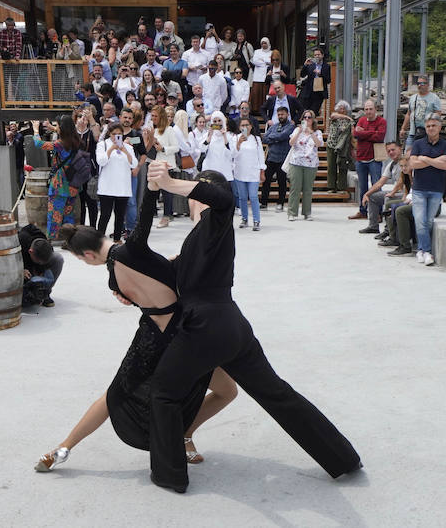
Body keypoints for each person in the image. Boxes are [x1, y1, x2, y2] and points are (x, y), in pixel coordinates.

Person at [143, 164, 362, 492]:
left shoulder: (215, 219)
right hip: (231, 327)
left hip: (203, 328)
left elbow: (223, 198)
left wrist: (170, 183)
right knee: (276, 393)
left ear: (198, 196)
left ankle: (169, 475)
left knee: (163, 393)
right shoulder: (199, 236)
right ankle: (342, 458)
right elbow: (172, 273)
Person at [36, 184, 235, 473]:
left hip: (151, 340)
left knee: (113, 394)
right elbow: (143, 215)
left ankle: (62, 448)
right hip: (184, 335)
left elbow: (141, 294)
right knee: (227, 391)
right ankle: (185, 433)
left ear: (88, 255)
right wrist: (153, 187)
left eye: (81, 260)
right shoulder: (135, 248)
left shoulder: (113, 281)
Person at [27, 115, 93, 238]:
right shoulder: (77, 141)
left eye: (58, 126)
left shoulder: (59, 144)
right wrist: (53, 128)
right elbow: (64, 132)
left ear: (62, 128)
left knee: (55, 214)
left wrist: (36, 130)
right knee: (68, 214)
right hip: (73, 183)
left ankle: (51, 239)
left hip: (59, 183)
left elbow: (39, 144)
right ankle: (69, 240)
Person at [406, 116, 446, 266]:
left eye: (434, 125)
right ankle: (427, 251)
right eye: (428, 126)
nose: (431, 128)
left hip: (436, 189)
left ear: (439, 128)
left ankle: (421, 250)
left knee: (428, 221)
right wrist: (435, 161)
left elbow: (445, 165)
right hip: (419, 189)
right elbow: (413, 163)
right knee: (420, 221)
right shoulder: (418, 143)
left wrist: (425, 159)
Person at [95, 122, 137, 242]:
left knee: (120, 216)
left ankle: (117, 239)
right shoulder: (102, 145)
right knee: (105, 215)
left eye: (119, 134)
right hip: (107, 187)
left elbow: (133, 163)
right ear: (109, 134)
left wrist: (125, 150)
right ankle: (100, 239)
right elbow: (101, 161)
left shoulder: (128, 147)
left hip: (123, 187)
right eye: (114, 134)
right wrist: (111, 149)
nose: (116, 137)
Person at [351, 100, 387, 219]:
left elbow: (380, 136)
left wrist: (364, 133)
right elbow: (355, 134)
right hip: (361, 159)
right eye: (366, 109)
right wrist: (371, 134)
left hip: (374, 159)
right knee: (362, 187)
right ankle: (363, 211)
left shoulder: (382, 122)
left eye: (370, 109)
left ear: (375, 109)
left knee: (376, 187)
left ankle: (378, 213)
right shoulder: (361, 120)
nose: (368, 111)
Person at [358, 142, 403, 236]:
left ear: (400, 148)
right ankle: (373, 226)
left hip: (407, 194)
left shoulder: (405, 162)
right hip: (397, 192)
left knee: (388, 198)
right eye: (388, 151)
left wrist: (393, 192)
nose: (391, 152)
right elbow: (380, 182)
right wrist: (367, 194)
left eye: (393, 150)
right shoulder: (391, 165)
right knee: (373, 196)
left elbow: (402, 181)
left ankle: (388, 231)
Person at [286, 110, 324, 221]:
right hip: (296, 162)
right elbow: (291, 143)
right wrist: (299, 132)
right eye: (305, 117)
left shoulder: (317, 133)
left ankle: (307, 213)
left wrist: (310, 132)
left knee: (308, 189)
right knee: (295, 188)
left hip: (311, 164)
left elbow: (319, 144)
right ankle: (292, 212)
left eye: (309, 117)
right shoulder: (297, 130)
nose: (307, 119)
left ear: (313, 120)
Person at [18, 224, 63, 308]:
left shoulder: (44, 242)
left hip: (34, 266)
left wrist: (42, 270)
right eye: (38, 261)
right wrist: (21, 270)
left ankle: (45, 293)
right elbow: (9, 262)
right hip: (24, 267)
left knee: (58, 258)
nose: (40, 263)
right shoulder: (20, 242)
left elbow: (44, 260)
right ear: (30, 251)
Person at [261, 106, 295, 211]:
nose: (280, 116)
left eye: (282, 114)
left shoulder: (290, 126)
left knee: (282, 182)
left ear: (287, 115)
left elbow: (284, 136)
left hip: (283, 158)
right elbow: (265, 138)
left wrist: (273, 138)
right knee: (266, 181)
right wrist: (275, 138)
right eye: (279, 114)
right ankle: (263, 202)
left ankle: (280, 203)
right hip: (271, 157)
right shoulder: (273, 126)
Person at [325, 100, 354, 194]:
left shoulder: (349, 121)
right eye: (340, 108)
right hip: (332, 145)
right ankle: (331, 187)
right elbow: (333, 115)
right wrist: (346, 117)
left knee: (343, 166)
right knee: (331, 166)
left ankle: (341, 187)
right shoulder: (334, 117)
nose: (342, 110)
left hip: (343, 147)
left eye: (344, 108)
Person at [401, 78, 442, 143]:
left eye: (422, 83)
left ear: (428, 85)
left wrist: (434, 131)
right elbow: (408, 114)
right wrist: (403, 128)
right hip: (413, 133)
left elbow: (438, 115)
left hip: (427, 133)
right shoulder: (413, 98)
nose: (419, 85)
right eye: (418, 83)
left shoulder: (434, 98)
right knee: (408, 151)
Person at [296, 47, 330, 116]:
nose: (317, 56)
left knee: (314, 112)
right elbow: (302, 75)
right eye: (315, 55)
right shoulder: (311, 65)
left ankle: (312, 125)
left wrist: (320, 74)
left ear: (322, 55)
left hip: (319, 92)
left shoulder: (326, 66)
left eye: (318, 54)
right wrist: (305, 65)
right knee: (305, 112)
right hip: (309, 92)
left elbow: (328, 80)